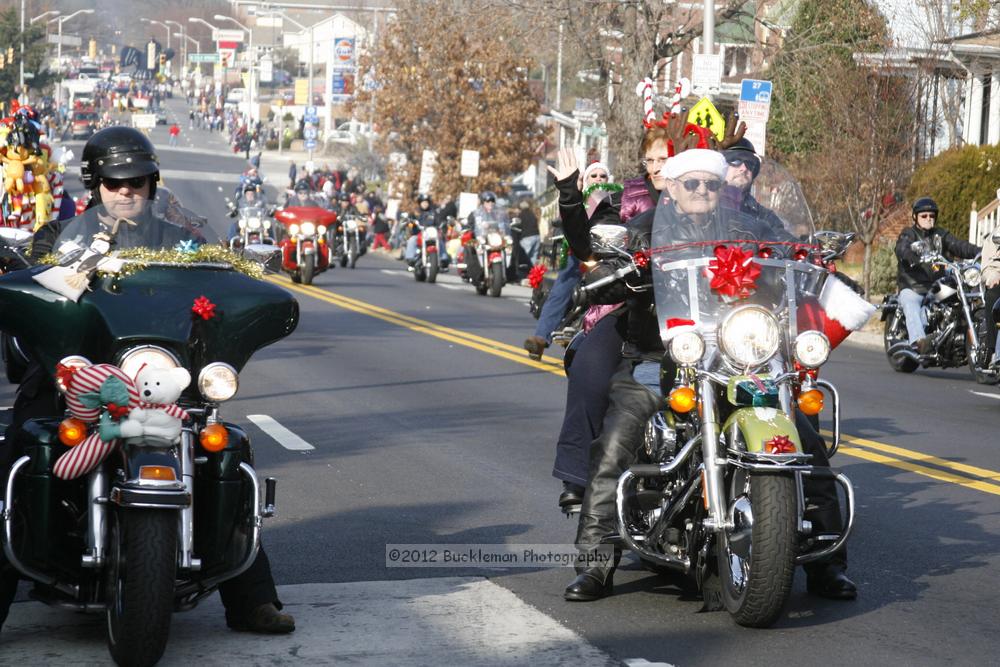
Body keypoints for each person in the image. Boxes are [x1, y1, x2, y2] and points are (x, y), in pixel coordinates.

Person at [2, 127, 295, 634]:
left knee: (225, 451)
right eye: (116, 181)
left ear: (151, 184)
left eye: (137, 181)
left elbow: (219, 283)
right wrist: (30, 275)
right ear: (95, 183)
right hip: (72, 380)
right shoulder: (57, 237)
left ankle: (252, 600)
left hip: (161, 376)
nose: (126, 191)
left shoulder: (182, 238)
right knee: (21, 456)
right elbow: (31, 283)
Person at [564, 148, 856, 603]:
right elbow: (600, 259)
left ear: (723, 190)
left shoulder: (747, 229)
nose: (702, 191)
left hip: (737, 357)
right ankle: (596, 563)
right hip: (661, 355)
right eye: (693, 183)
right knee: (616, 442)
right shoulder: (645, 232)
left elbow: (786, 254)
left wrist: (811, 260)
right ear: (674, 187)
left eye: (711, 184)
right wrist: (614, 270)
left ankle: (826, 564)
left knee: (805, 441)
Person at [893, 197, 980, 355]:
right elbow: (902, 248)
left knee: (959, 298)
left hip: (936, 284)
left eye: (931, 216)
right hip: (913, 285)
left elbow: (959, 246)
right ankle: (919, 343)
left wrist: (981, 251)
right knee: (911, 304)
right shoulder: (909, 234)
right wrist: (911, 256)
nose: (928, 219)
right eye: (924, 216)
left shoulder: (940, 235)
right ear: (915, 217)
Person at [463, 191, 511, 284]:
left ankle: (508, 274)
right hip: (482, 238)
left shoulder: (499, 213)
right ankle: (475, 274)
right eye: (487, 202)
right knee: (471, 247)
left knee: (509, 246)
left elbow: (504, 223)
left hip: (495, 238)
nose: (490, 204)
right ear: (483, 202)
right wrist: (470, 228)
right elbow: (471, 224)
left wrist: (506, 228)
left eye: (492, 201)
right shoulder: (476, 213)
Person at [516, 199, 541, 266]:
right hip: (537, 236)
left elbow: (518, 226)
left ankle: (523, 273)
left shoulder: (521, 215)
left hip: (527, 237)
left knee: (524, 255)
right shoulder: (532, 213)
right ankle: (535, 273)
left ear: (520, 208)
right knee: (534, 257)